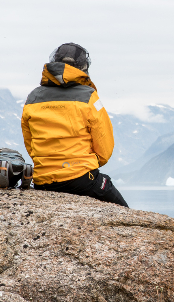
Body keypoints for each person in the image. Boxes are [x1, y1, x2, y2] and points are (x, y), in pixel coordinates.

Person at [22, 42, 129, 207]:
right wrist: (87, 164)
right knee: (124, 213)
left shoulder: (33, 98)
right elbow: (104, 147)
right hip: (81, 179)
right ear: (83, 67)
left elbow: (30, 143)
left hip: (42, 181)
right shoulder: (89, 97)